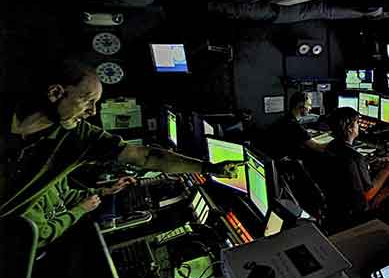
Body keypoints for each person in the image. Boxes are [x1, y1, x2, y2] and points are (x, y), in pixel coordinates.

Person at [0, 59, 241, 226]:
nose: (92, 112)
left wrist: (209, 168)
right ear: (56, 93)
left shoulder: (81, 137)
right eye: (87, 101)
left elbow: (147, 157)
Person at [321, 107, 389, 230]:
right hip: (353, 214)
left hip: (334, 205)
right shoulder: (354, 158)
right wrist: (387, 170)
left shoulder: (330, 147)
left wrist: (367, 164)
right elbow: (367, 195)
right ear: (350, 128)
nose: (358, 126)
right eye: (356, 123)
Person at [262, 92, 326, 159]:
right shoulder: (294, 126)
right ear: (300, 105)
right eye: (309, 105)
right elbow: (318, 147)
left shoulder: (285, 118)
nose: (310, 108)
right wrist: (335, 144)